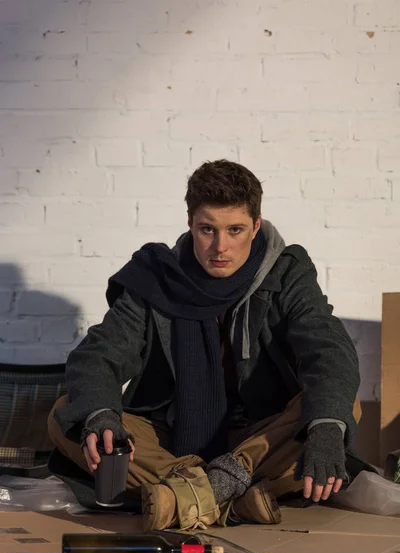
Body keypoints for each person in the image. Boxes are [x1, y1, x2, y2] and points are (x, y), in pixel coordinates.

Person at [48, 159, 363, 531]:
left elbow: (328, 348)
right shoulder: (157, 277)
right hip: (172, 435)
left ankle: (190, 494)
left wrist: (325, 428)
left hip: (260, 434)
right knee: (68, 412)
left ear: (256, 225)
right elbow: (100, 353)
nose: (220, 246)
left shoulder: (288, 271)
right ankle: (227, 497)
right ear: (190, 225)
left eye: (235, 230)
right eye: (207, 230)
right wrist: (101, 416)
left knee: (339, 411)